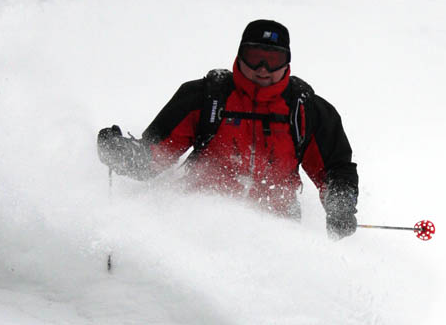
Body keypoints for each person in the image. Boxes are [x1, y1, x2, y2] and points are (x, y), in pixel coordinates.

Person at [97, 19, 358, 239]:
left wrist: (340, 207)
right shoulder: (205, 97)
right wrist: (123, 155)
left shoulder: (306, 110)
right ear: (240, 54)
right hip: (197, 226)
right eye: (255, 58)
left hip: (277, 233)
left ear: (287, 62)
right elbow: (155, 155)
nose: (263, 69)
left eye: (273, 60)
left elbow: (335, 169)